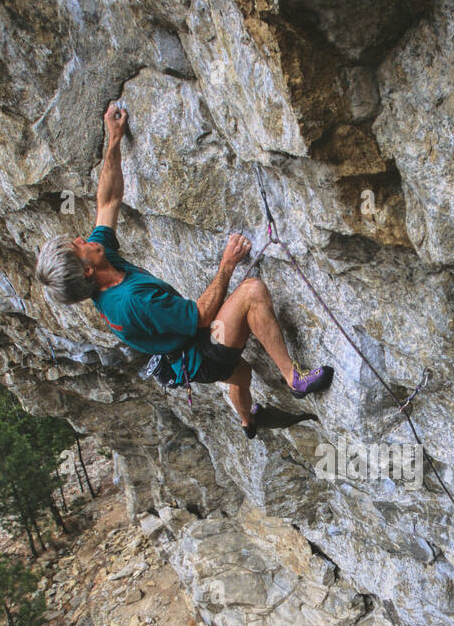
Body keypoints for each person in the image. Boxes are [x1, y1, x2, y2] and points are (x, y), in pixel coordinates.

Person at [36, 102, 333, 435]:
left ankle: (249, 421)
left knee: (242, 373)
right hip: (203, 352)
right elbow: (203, 316)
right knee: (252, 293)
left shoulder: (102, 261)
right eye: (78, 246)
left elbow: (107, 201)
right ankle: (294, 378)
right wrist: (227, 265)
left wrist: (114, 139)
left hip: (184, 359)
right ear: (87, 271)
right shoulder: (132, 300)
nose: (81, 238)